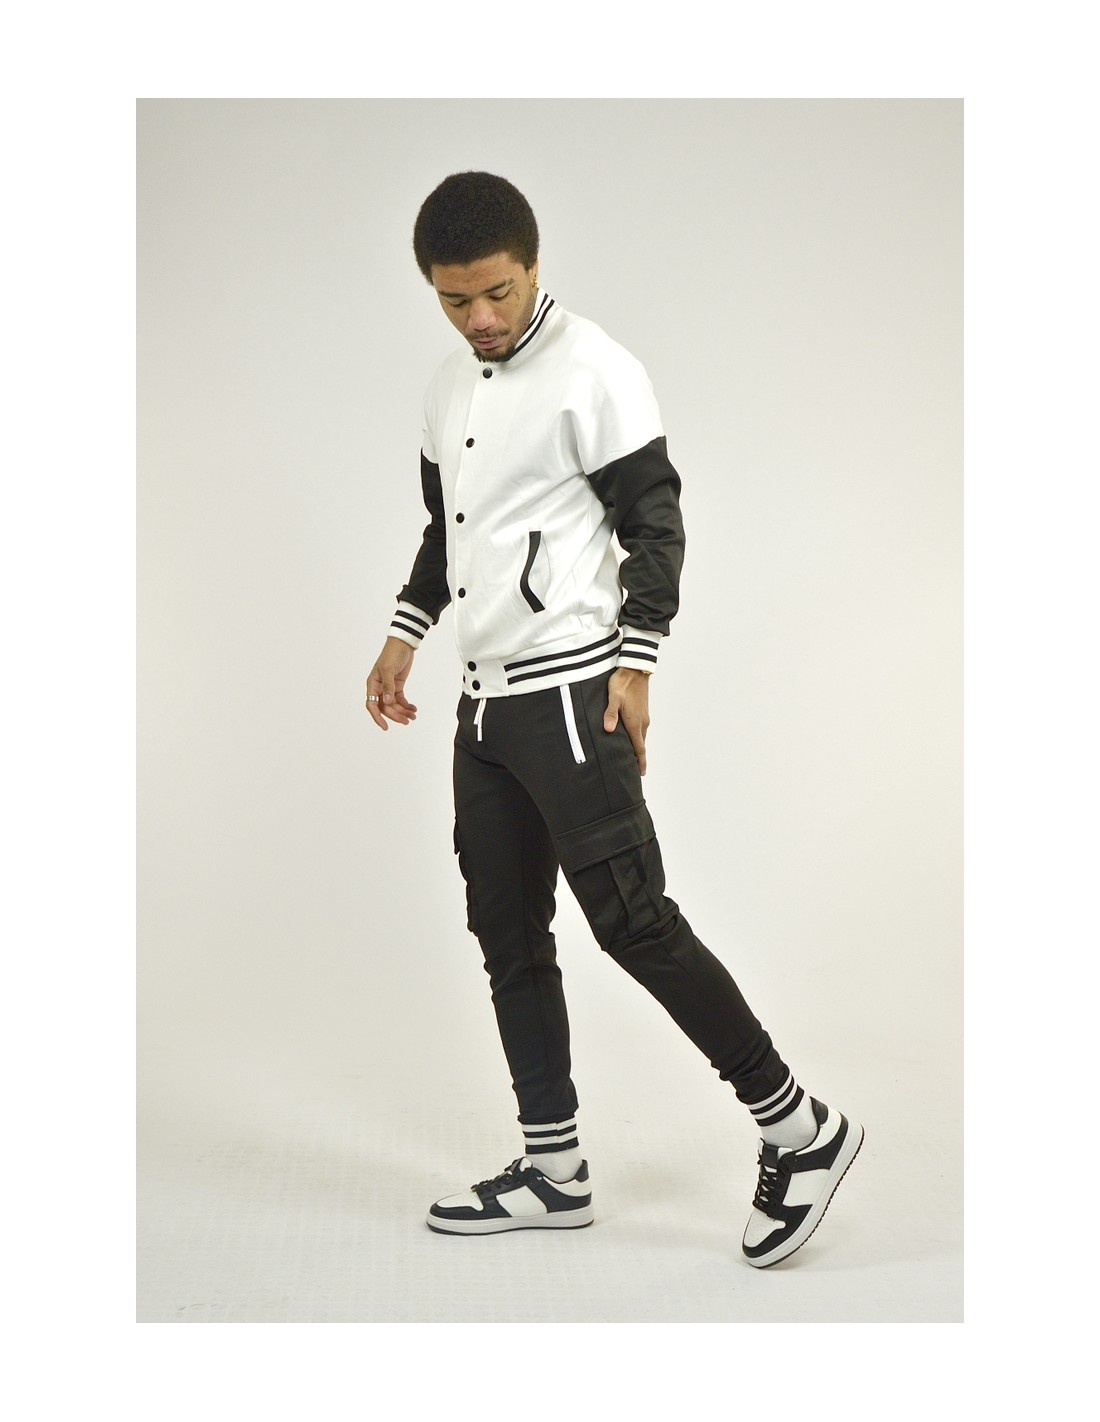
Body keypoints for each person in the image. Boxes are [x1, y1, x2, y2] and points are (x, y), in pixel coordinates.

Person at [365, 171, 862, 1267]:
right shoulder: (447, 390)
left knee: (633, 922)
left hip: (569, 697)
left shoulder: (595, 371)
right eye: (454, 300)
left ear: (533, 263)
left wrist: (636, 666)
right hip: (483, 709)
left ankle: (801, 1130)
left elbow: (655, 525)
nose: (479, 318)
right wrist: (404, 634)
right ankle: (554, 1170)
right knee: (505, 934)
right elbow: (449, 532)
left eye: (496, 292)